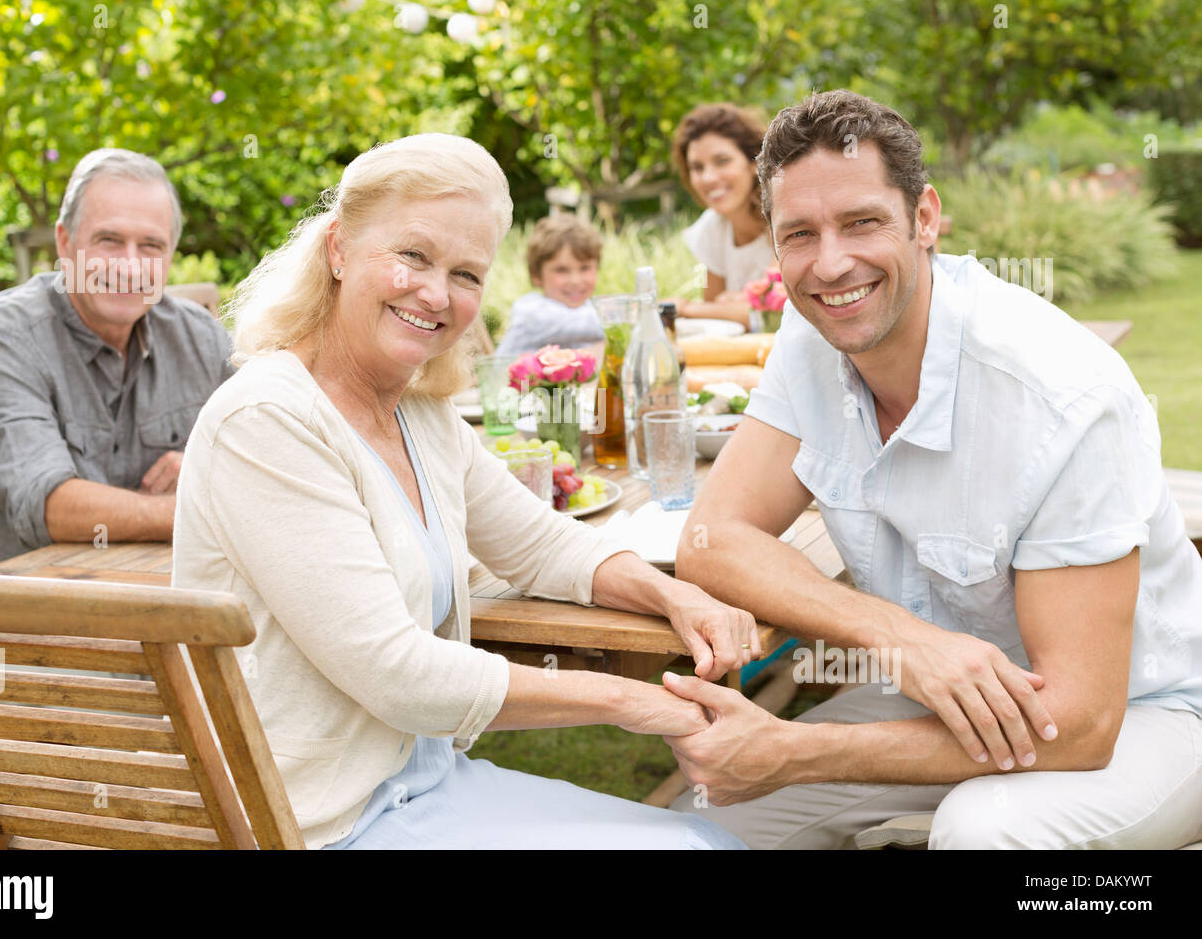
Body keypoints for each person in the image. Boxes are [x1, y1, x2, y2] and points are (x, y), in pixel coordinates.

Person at [171, 134, 758, 850]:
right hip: (316, 825)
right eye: (413, 256)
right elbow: (398, 675)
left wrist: (676, 595)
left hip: (425, 785)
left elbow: (539, 544)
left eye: (466, 274)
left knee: (709, 842)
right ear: (338, 249)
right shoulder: (266, 419)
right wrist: (636, 702)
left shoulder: (418, 410)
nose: (436, 293)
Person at [663, 90, 1202, 849]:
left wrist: (794, 751)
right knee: (690, 827)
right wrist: (899, 640)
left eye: (861, 222)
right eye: (799, 234)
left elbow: (1080, 724)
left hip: (1146, 717)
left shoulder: (1061, 395)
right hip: (940, 697)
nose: (830, 263)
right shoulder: (813, 335)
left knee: (985, 831)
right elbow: (713, 538)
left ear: (925, 218)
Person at [0, 148, 235, 573]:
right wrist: (202, 506)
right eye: (109, 241)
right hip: (8, 613)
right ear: (65, 242)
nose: (130, 267)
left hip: (143, 603)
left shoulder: (200, 337)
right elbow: (49, 506)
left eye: (150, 246)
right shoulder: (7, 336)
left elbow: (273, 451)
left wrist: (205, 465)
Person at [670, 103, 778, 329]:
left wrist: (685, 308)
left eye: (722, 161)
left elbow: (774, 308)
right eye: (697, 167)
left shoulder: (781, 216)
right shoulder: (710, 228)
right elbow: (714, 317)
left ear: (754, 163)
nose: (708, 178)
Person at [496, 215, 605, 356]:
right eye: (562, 270)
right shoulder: (531, 311)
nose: (576, 280)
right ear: (536, 276)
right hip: (522, 379)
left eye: (585, 268)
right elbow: (597, 323)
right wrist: (631, 314)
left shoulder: (588, 308)